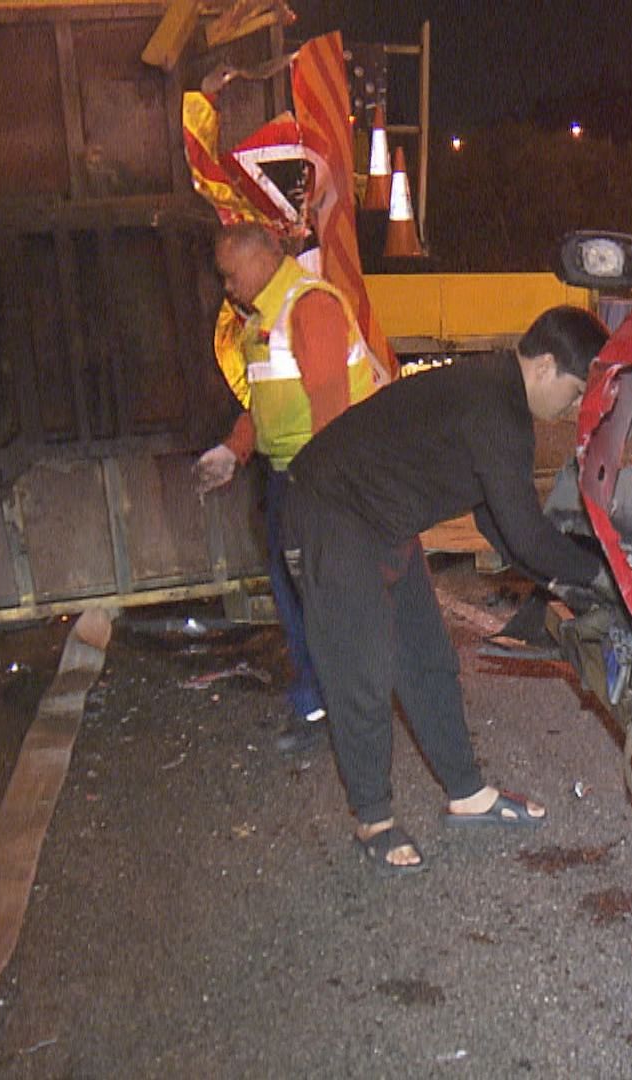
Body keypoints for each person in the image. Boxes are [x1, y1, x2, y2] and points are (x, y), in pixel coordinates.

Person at [285, 306, 611, 874]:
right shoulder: (496, 408)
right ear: (545, 366)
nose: (575, 407)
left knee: (427, 658)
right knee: (363, 668)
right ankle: (373, 820)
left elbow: (498, 524)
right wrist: (600, 576)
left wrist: (562, 580)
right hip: (331, 510)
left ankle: (468, 794)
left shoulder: (496, 395)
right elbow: (526, 535)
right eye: (577, 390)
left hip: (383, 519)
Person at [194, 222, 380, 752]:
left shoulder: (308, 306)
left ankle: (344, 709)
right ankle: (319, 703)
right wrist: (234, 450)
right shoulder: (264, 318)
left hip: (315, 477)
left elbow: (330, 410)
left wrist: (322, 491)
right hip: (290, 476)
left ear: (262, 259)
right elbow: (269, 405)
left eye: (230, 274)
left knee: (318, 598)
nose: (227, 285)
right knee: (297, 594)